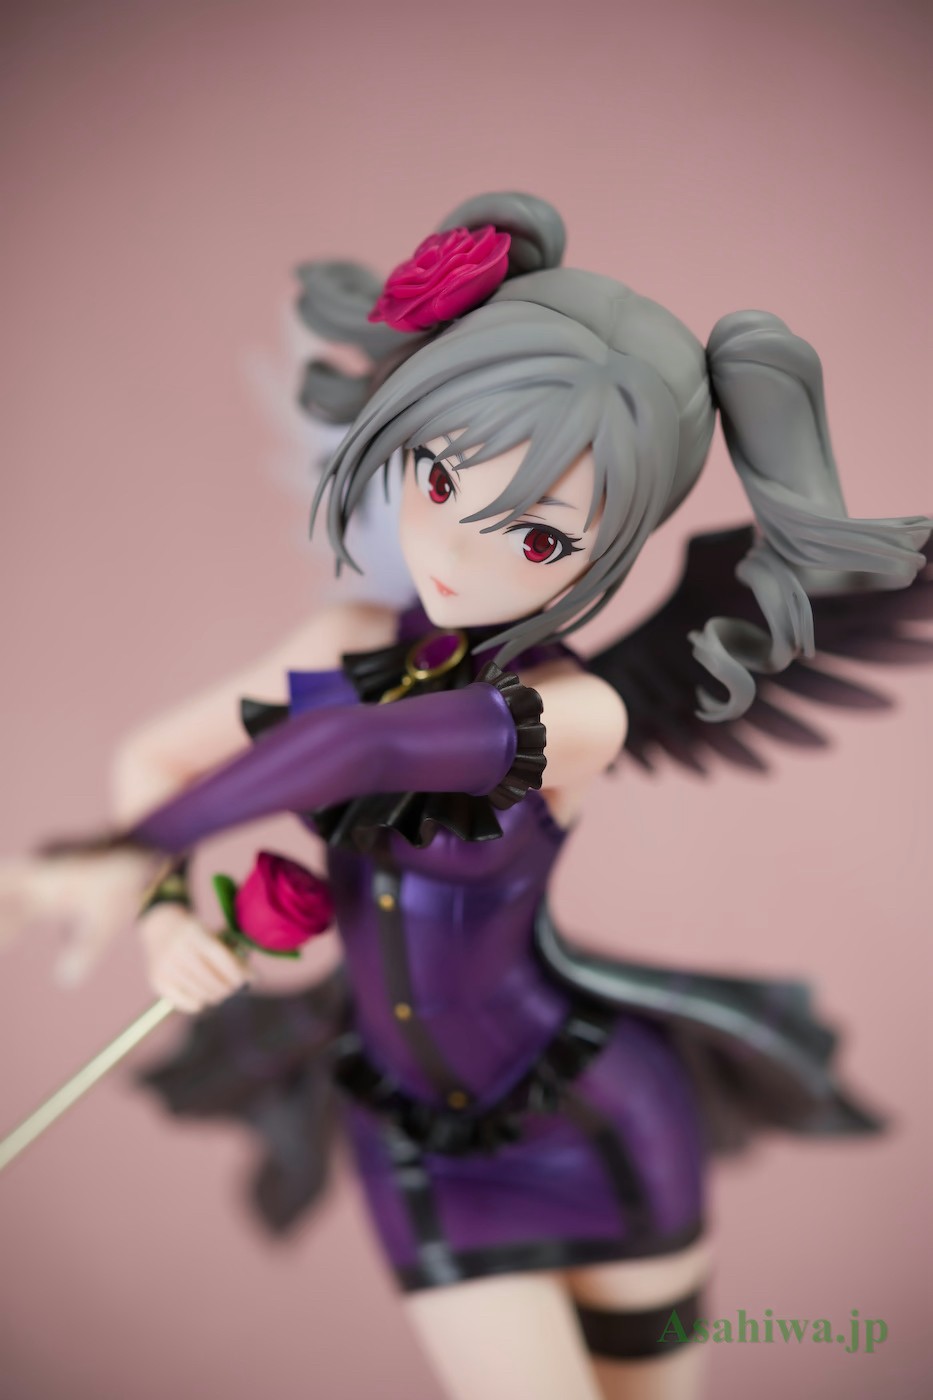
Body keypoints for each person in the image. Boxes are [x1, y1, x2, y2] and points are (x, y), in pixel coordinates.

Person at [3, 192, 929, 1400]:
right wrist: (166, 912)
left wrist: (129, 848)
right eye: (438, 474)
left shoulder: (574, 714)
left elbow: (364, 751)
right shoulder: (344, 640)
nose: (454, 549)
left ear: (613, 549)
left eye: (540, 538)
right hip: (415, 1143)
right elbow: (154, 756)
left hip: (608, 1126)